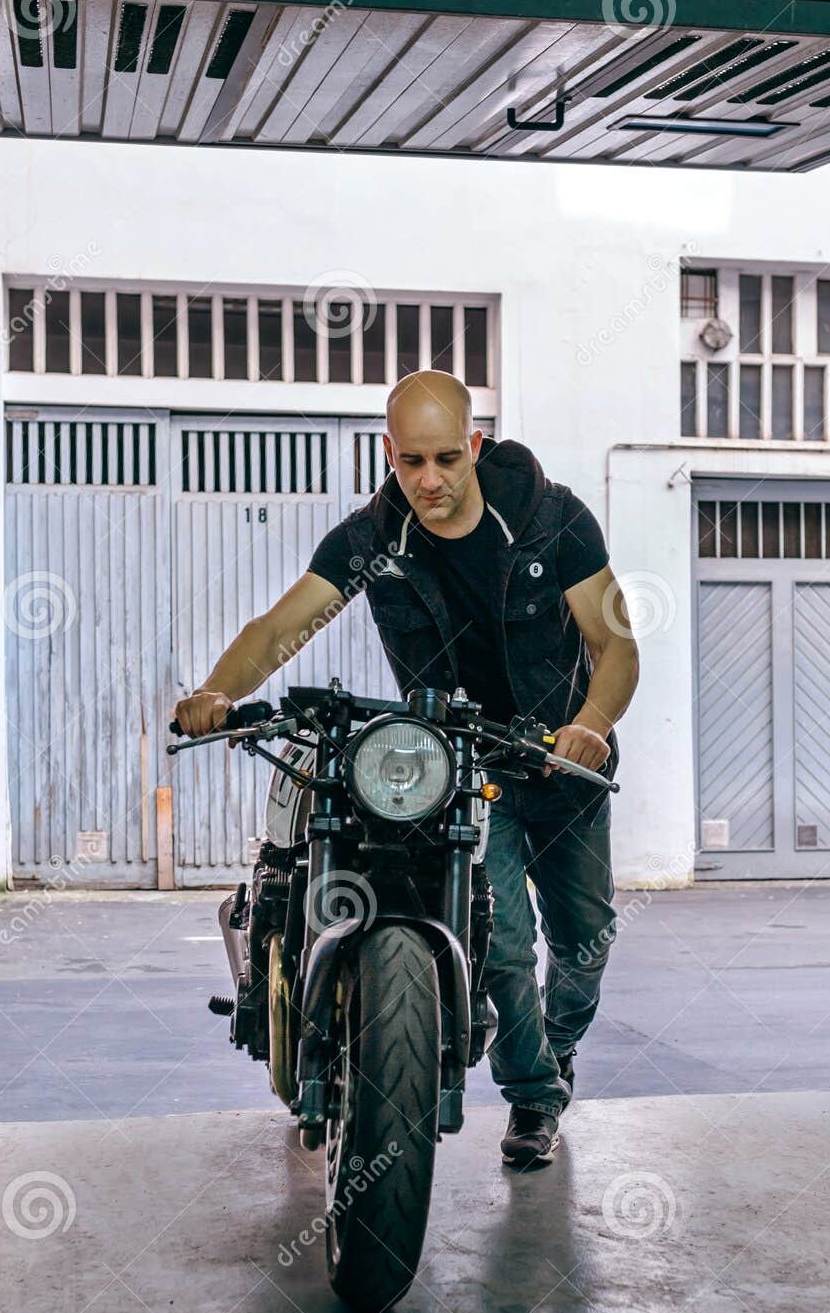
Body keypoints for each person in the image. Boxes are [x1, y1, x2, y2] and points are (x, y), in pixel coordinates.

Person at [173, 371, 639, 1169]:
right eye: (411, 461)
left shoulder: (553, 520)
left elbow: (616, 643)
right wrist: (219, 687)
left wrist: (590, 724)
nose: (429, 480)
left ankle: (553, 1053)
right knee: (503, 945)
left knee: (585, 941)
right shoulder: (370, 540)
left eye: (447, 459)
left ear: (476, 448)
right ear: (388, 453)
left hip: (565, 763)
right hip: (464, 767)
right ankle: (532, 1098)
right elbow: (278, 630)